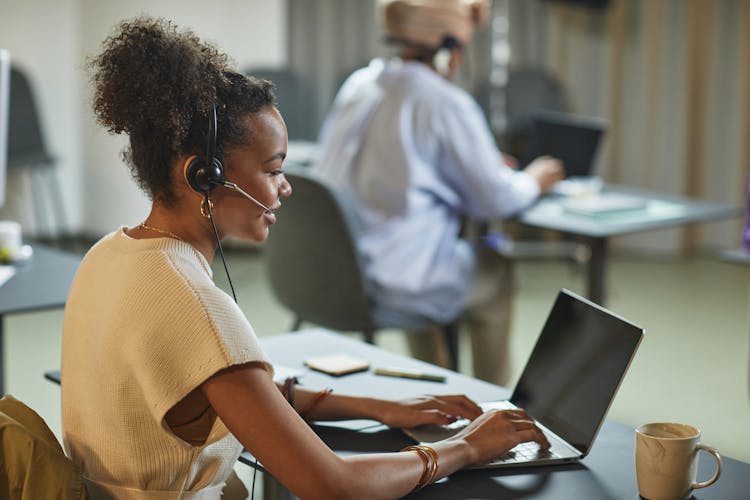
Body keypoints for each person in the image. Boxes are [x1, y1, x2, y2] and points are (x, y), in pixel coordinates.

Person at [60, 16, 549, 499]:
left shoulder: (107, 253)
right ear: (203, 176)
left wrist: (382, 407)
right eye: (274, 171)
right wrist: (464, 447)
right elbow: (332, 485)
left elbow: (239, 397)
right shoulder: (199, 309)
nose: (287, 188)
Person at [313, 0, 564, 386]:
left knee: (418, 245)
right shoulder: (445, 102)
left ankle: (436, 380)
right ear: (451, 49)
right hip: (395, 282)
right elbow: (495, 199)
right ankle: (493, 403)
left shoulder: (360, 85)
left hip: (333, 272)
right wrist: (534, 179)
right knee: (495, 269)